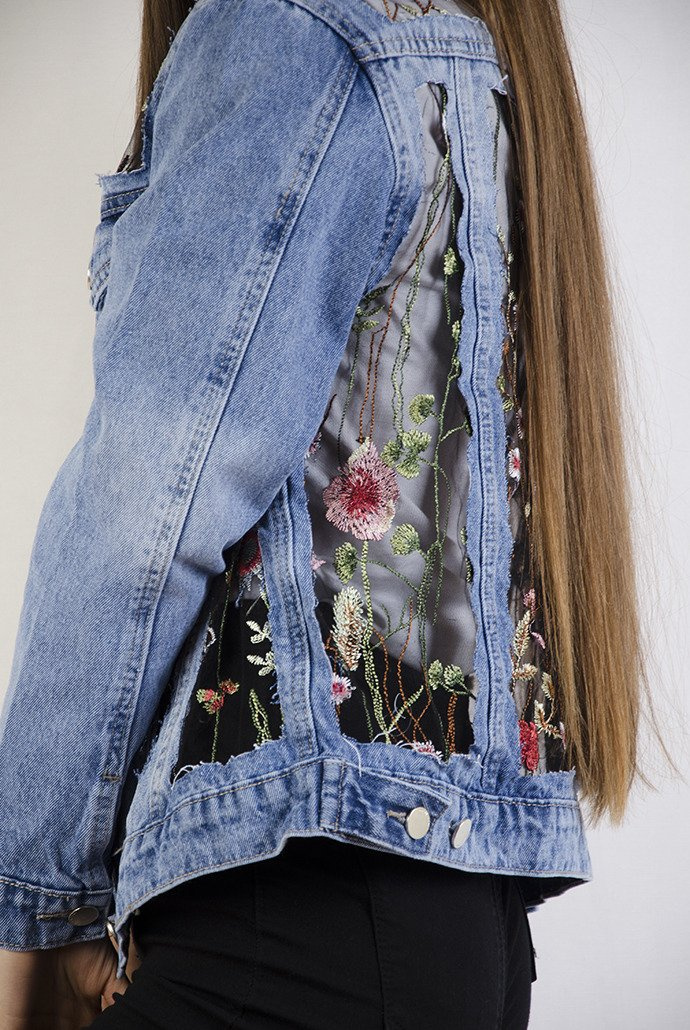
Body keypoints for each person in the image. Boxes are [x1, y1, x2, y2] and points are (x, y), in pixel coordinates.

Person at [0, 0, 675, 1026]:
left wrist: (38, 907)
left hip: (288, 924)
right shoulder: (487, 60)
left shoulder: (297, 30)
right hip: (460, 933)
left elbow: (146, 509)